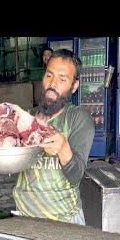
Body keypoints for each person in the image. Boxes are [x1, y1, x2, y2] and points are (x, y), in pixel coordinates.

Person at [13, 49, 94, 225]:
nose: (53, 83)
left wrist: (64, 149)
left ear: (74, 86)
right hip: (25, 218)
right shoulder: (28, 117)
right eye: (49, 75)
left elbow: (76, 176)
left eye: (62, 79)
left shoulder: (78, 118)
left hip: (64, 221)